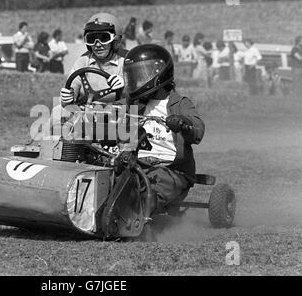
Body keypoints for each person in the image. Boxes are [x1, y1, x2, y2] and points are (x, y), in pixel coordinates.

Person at [123, 44, 205, 211]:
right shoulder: (135, 105)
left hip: (172, 170)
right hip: (139, 165)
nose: (137, 80)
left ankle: (139, 224)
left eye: (141, 75)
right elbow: (122, 129)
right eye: (133, 76)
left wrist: (182, 122)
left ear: (158, 74)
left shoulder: (179, 103)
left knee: (147, 192)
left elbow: (198, 129)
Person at [60, 12, 127, 107]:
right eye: (92, 39)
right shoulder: (82, 62)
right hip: (85, 114)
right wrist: (67, 97)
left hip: (118, 116)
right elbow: (71, 90)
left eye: (104, 38)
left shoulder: (125, 64)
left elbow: (137, 100)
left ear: (115, 41)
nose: (98, 44)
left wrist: (125, 88)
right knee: (57, 113)